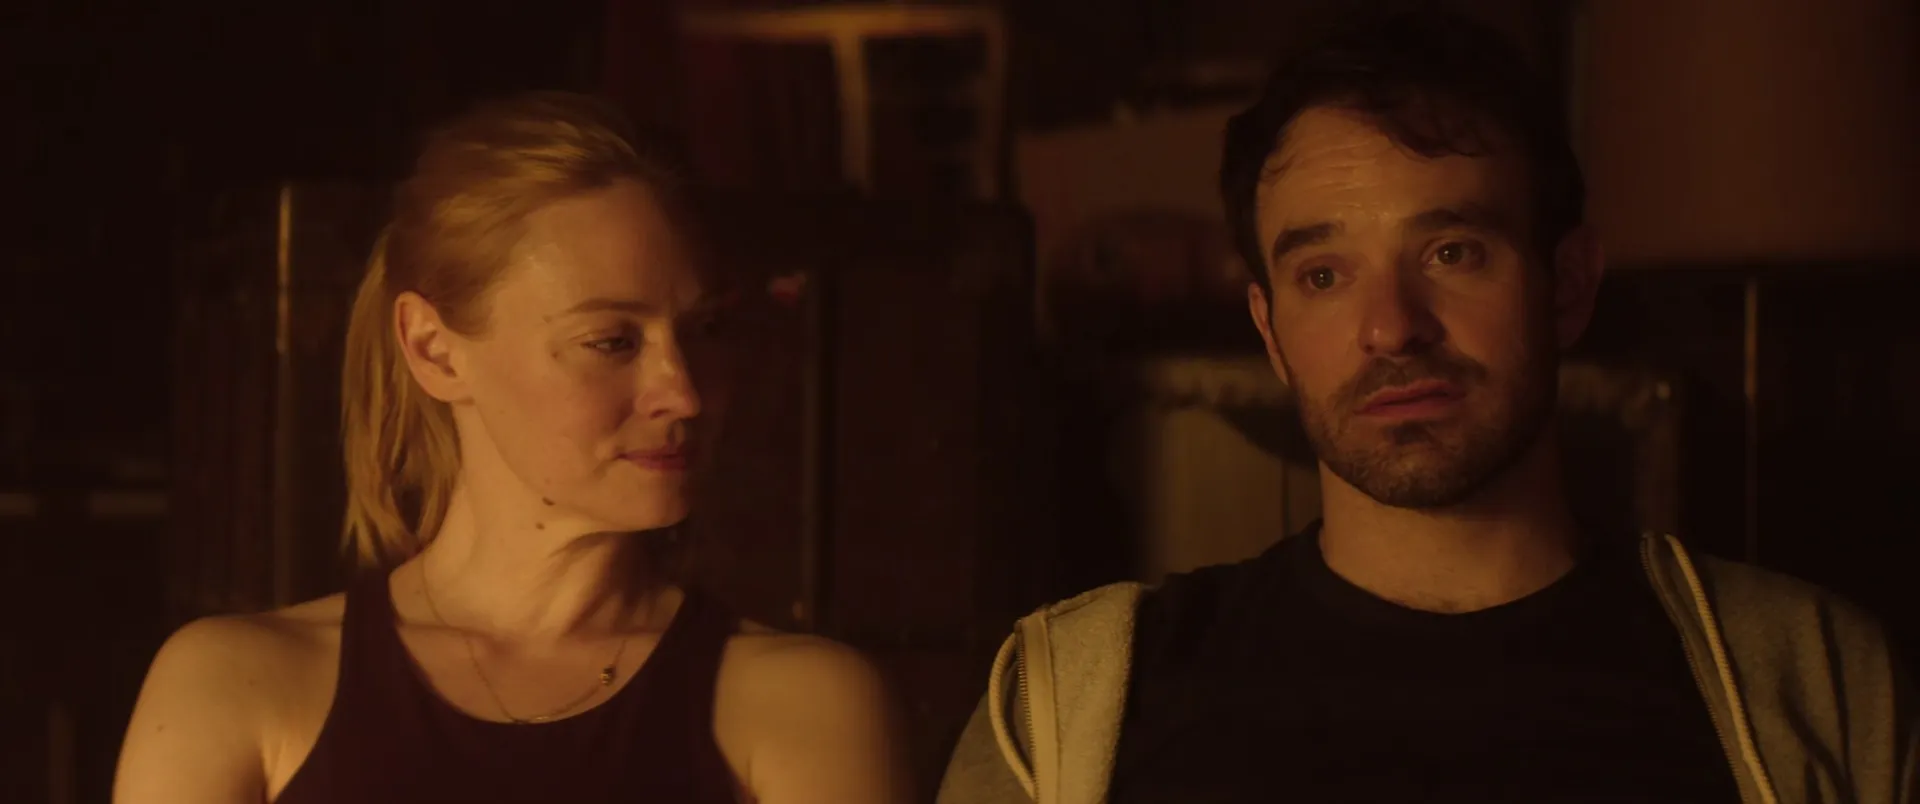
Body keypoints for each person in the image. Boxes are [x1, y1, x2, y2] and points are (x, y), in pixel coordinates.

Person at [938, 6, 1917, 804]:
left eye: (1452, 253)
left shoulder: (1812, 680)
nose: (1391, 328)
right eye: (1324, 275)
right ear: (1272, 332)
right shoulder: (1079, 703)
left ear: (1568, 286)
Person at [114, 92, 912, 804]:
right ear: (434, 350)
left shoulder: (798, 704)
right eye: (611, 341)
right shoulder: (235, 684)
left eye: (704, 330)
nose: (685, 391)